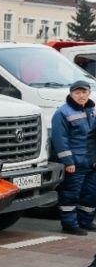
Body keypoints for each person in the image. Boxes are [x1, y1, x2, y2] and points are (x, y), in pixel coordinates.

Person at [51, 80, 96, 235]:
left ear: (89, 93)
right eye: (77, 93)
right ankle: (69, 225)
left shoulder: (91, 110)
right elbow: (59, 140)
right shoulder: (62, 113)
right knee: (71, 194)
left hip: (91, 161)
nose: (81, 95)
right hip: (75, 162)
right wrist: (68, 162)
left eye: (84, 92)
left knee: (90, 193)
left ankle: (85, 221)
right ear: (71, 94)